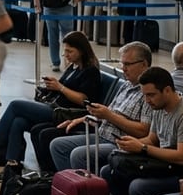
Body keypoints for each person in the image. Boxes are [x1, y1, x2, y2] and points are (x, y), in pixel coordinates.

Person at [0, 31, 102, 181]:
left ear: (81, 50)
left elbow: (83, 100)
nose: (66, 55)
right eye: (65, 51)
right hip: (57, 108)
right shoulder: (73, 68)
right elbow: (64, 88)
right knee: (18, 121)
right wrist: (50, 87)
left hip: (66, 114)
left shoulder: (90, 72)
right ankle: (12, 167)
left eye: (70, 51)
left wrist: (60, 87)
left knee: (15, 105)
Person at [100, 67, 183, 195]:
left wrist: (142, 148)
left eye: (151, 95)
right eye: (145, 95)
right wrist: (131, 144)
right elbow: (152, 139)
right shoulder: (159, 107)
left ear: (167, 90)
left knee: (138, 187)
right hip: (167, 165)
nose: (147, 100)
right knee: (108, 172)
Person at [46, 42, 156, 172]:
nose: (123, 68)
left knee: (78, 155)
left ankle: (85, 188)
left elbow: (143, 131)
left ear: (143, 64)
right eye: (122, 64)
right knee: (57, 145)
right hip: (102, 133)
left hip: (120, 142)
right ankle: (71, 185)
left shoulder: (150, 92)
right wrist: (84, 119)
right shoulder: (127, 85)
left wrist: (108, 115)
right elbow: (109, 114)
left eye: (127, 64)